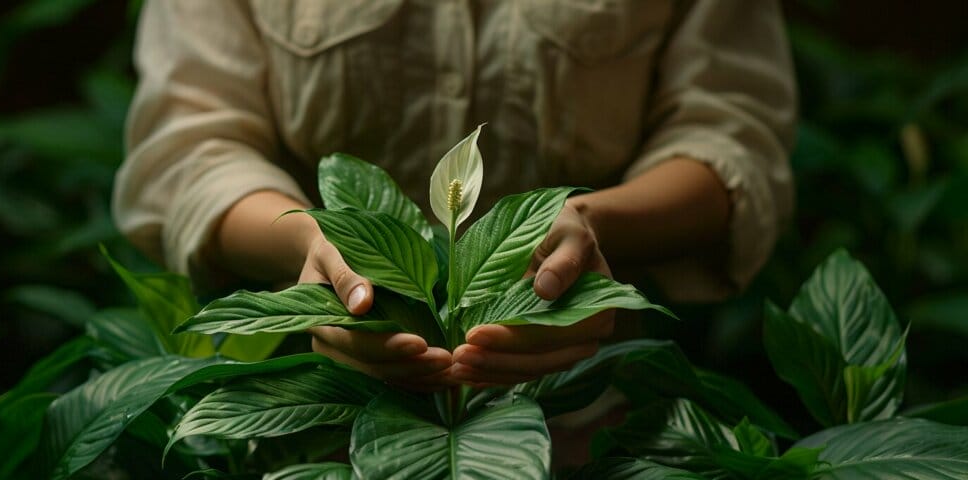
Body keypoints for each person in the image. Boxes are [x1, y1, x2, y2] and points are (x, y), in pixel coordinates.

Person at [113, 1, 796, 389]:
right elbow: (188, 147)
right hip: (321, 417)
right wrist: (311, 240)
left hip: (592, 426)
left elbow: (731, 137)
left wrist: (590, 226)